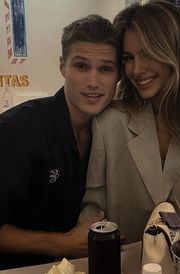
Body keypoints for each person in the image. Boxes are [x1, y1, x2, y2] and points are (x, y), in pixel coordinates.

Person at [79, 0, 180, 244]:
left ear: (176, 53)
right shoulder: (110, 123)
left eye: (149, 53)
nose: (137, 69)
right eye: (129, 57)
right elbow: (92, 211)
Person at [0, 14, 120, 269]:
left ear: (118, 75)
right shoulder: (16, 131)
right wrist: (63, 243)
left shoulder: (111, 131)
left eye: (105, 69)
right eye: (81, 66)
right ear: (62, 66)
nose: (93, 82)